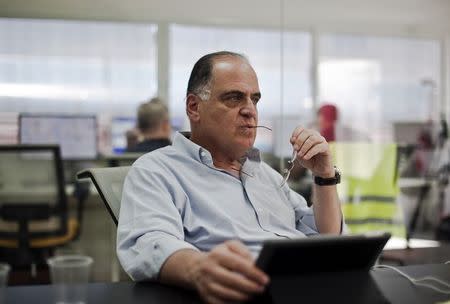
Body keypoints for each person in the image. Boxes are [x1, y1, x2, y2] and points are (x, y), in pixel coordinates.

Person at [117, 51, 343, 303]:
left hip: (315, 288)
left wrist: (324, 177)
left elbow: (328, 238)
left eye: (254, 100)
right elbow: (149, 243)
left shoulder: (265, 175)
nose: (250, 111)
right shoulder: (156, 171)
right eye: (234, 98)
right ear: (194, 107)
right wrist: (197, 268)